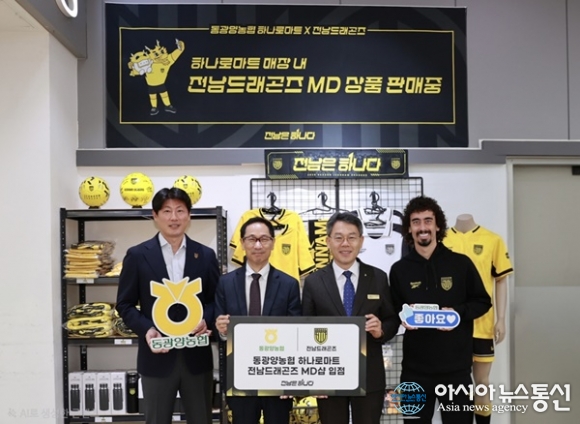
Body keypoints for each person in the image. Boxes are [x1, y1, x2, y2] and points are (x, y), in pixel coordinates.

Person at [116, 187, 219, 424]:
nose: (174, 217)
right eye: (167, 211)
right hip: (156, 359)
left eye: (180, 211)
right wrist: (146, 329)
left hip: (196, 359)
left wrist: (206, 320)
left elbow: (217, 300)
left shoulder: (205, 255)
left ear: (189, 215)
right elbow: (125, 304)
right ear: (155, 215)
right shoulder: (137, 255)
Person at [389, 196, 492, 423]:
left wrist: (457, 313)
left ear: (437, 226)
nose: (423, 227)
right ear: (409, 228)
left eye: (428, 221)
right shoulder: (399, 270)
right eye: (416, 222)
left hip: (456, 371)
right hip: (414, 373)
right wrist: (402, 317)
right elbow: (394, 310)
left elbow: (482, 301)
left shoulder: (461, 264)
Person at [302, 212, 399, 424]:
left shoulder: (378, 277)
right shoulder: (314, 282)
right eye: (338, 237)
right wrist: (312, 380)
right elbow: (305, 330)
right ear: (328, 241)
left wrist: (381, 330)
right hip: (328, 376)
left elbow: (392, 319)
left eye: (351, 237)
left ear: (361, 241)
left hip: (369, 375)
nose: (345, 243)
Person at [215, 216, 301, 424]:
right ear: (242, 243)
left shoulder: (289, 284)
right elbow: (218, 328)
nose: (258, 245)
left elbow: (296, 334)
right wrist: (222, 330)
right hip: (240, 378)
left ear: (273, 243)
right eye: (252, 239)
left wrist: (291, 381)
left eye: (264, 239)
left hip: (278, 378)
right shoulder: (225, 283)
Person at [444, 213, 514, 424]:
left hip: (482, 325)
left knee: (482, 382)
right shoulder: (442, 240)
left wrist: (501, 318)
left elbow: (501, 280)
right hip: (451, 326)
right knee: (453, 383)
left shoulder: (492, 240)